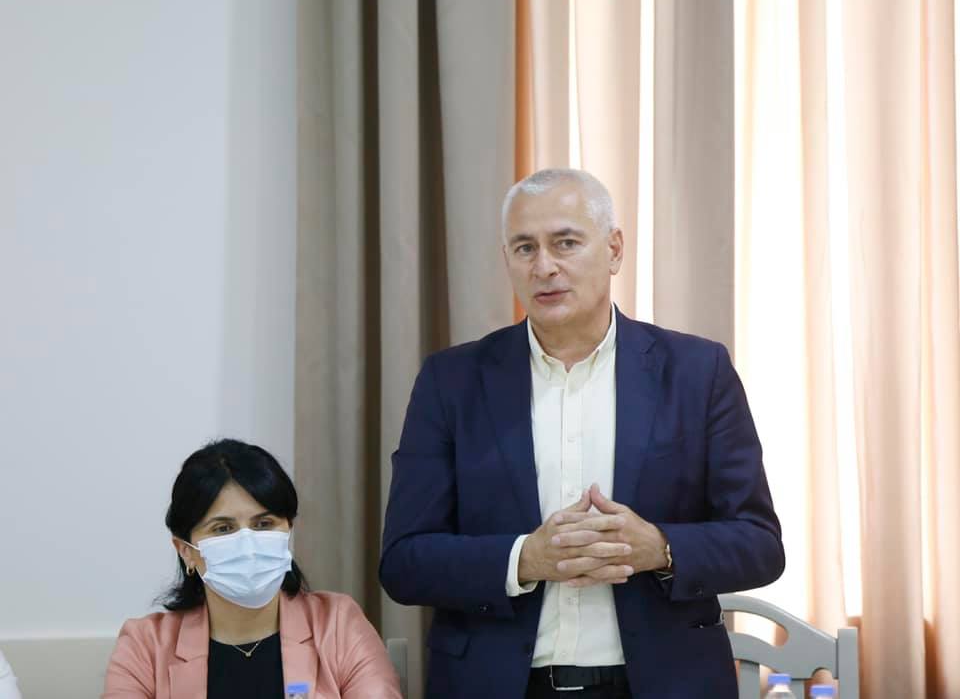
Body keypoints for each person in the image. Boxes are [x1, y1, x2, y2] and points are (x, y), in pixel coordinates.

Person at [379, 169, 785, 699]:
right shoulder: (451, 381)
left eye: (565, 243)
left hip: (663, 684)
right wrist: (524, 560)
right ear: (507, 261)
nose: (544, 266)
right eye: (525, 248)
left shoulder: (696, 372)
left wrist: (660, 548)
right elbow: (405, 561)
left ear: (614, 249)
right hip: (498, 684)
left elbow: (759, 544)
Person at [103, 439, 401, 699]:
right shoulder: (146, 645)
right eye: (223, 528)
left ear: (288, 530)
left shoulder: (338, 625)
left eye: (263, 524)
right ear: (186, 551)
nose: (248, 543)